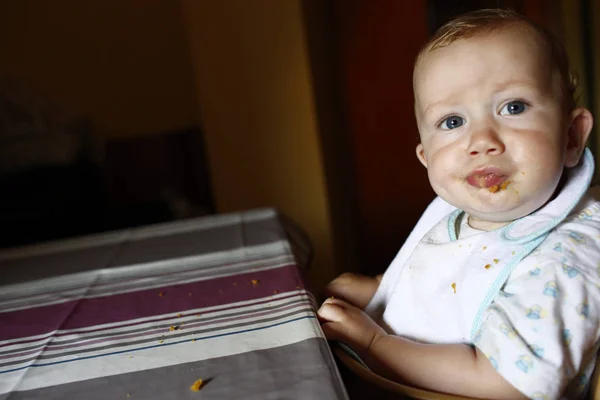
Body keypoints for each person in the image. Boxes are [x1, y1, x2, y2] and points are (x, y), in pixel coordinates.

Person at [317, 8, 600, 400]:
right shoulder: (462, 211)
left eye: (513, 107)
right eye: (452, 122)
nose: (481, 140)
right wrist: (378, 291)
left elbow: (508, 384)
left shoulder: (566, 258)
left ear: (571, 137)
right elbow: (445, 279)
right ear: (426, 157)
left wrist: (375, 345)